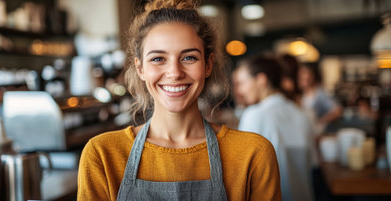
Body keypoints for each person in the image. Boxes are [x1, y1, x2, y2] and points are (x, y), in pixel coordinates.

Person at [77, 1, 281, 200]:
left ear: (208, 65)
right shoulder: (103, 155)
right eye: (158, 59)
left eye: (189, 57)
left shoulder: (253, 153)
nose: (174, 73)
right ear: (140, 68)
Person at [235, 55, 314, 201]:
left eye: (242, 83)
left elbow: (241, 174)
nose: (240, 90)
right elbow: (311, 164)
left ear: (261, 80)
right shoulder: (301, 114)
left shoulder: (254, 114)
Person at [298, 63, 342, 134]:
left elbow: (337, 110)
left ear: (313, 76)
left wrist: (320, 122)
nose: (304, 79)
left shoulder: (320, 93)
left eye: (307, 76)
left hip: (321, 133)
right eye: (301, 77)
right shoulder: (301, 95)